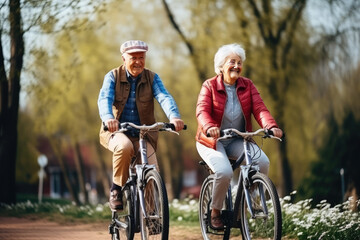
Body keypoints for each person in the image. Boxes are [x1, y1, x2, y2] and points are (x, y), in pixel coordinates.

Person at [195, 43, 283, 229]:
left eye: (239, 62)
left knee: (263, 162)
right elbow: (202, 110)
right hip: (212, 141)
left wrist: (270, 126)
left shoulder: (247, 85)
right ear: (221, 66)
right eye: (232, 62)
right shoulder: (209, 85)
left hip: (238, 139)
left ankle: (247, 205)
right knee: (225, 172)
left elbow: (260, 109)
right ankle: (215, 212)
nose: (236, 66)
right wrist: (210, 126)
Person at [98, 40, 184, 211]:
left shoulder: (152, 78)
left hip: (143, 135)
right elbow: (104, 99)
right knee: (124, 146)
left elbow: (164, 96)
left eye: (141, 57)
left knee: (151, 169)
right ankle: (116, 190)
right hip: (117, 132)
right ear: (124, 58)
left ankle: (151, 216)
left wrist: (174, 117)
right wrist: (109, 118)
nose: (138, 61)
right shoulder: (113, 76)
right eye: (133, 57)